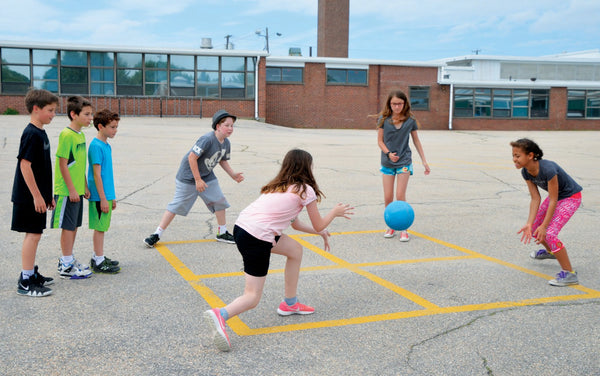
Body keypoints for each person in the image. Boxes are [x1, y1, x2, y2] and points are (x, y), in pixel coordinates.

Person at [203, 149, 354, 352]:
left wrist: (320, 232)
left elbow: (297, 225)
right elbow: (318, 224)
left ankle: (290, 303)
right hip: (257, 237)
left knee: (295, 250)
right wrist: (334, 213)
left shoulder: (277, 187)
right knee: (252, 297)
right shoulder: (304, 190)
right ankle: (221, 314)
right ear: (307, 167)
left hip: (242, 229)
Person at [144, 110, 244, 247]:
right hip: (188, 177)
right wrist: (197, 180)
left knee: (220, 201)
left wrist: (232, 174)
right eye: (227, 125)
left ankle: (222, 232)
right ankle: (156, 234)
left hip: (207, 176)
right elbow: (192, 157)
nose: (230, 128)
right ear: (218, 126)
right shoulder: (207, 139)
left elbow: (222, 160)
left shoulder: (226, 143)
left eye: (232, 126)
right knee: (176, 205)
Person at [511, 138, 583, 287]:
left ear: (530, 155)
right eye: (513, 156)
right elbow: (535, 198)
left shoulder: (548, 169)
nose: (514, 159)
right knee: (535, 229)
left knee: (548, 233)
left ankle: (570, 274)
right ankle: (551, 252)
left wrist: (544, 226)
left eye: (517, 156)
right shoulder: (526, 172)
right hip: (554, 198)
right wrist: (530, 223)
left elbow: (553, 200)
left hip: (570, 198)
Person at [12, 89, 59, 297]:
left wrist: (47, 195)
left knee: (36, 234)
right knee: (32, 235)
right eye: (50, 110)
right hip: (28, 197)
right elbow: (25, 165)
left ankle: (30, 274)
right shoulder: (31, 133)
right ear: (36, 109)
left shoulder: (40, 131)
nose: (53, 114)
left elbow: (42, 168)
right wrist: (37, 196)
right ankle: (25, 280)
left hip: (38, 196)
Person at [376, 89, 430, 241]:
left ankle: (404, 228)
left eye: (399, 104)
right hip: (387, 162)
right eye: (394, 104)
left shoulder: (410, 120)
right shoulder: (383, 119)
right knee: (388, 198)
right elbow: (380, 141)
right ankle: (391, 225)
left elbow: (416, 141)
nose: (397, 107)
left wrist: (424, 161)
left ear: (404, 104)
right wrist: (388, 154)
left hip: (405, 161)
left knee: (400, 196)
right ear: (389, 104)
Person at [51, 96, 93, 279]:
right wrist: (72, 189)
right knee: (68, 227)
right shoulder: (66, 135)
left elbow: (79, 164)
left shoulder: (81, 135)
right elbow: (62, 164)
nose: (90, 118)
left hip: (77, 190)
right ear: (73, 114)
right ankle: (66, 264)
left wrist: (83, 185)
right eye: (87, 114)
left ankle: (69, 259)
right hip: (67, 191)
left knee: (74, 225)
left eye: (91, 114)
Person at [87, 109, 122, 274]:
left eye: (116, 127)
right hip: (99, 195)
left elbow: (108, 175)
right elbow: (96, 174)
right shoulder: (96, 146)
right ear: (100, 126)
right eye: (112, 127)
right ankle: (99, 261)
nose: (115, 130)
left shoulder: (106, 145)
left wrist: (111, 197)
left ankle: (98, 256)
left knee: (103, 227)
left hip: (106, 194)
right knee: (100, 228)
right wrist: (102, 198)